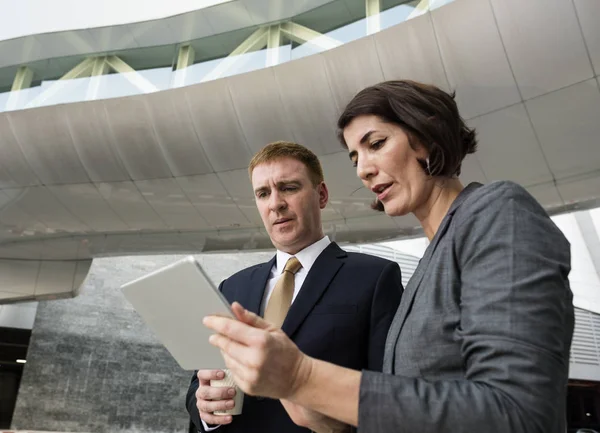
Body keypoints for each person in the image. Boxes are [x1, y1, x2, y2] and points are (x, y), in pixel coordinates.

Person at [203, 80, 575, 433]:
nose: (363, 170)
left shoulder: (496, 213)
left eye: (376, 143)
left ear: (426, 138)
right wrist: (333, 423)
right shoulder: (431, 263)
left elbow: (520, 413)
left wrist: (304, 378)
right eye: (355, 157)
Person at [186, 141, 403, 433]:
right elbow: (198, 386)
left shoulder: (375, 277)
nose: (275, 203)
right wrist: (204, 409)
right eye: (263, 193)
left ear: (321, 195)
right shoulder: (232, 287)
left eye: (288, 187)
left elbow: (388, 394)